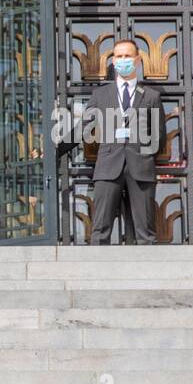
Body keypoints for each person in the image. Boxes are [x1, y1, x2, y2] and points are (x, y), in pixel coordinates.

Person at [82, 39, 164, 244]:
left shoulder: (152, 96)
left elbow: (159, 136)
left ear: (137, 60)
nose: (123, 60)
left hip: (141, 168)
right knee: (100, 230)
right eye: (118, 56)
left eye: (127, 56)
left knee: (145, 232)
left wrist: (142, 151)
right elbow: (84, 129)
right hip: (108, 165)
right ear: (113, 61)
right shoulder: (100, 95)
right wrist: (54, 148)